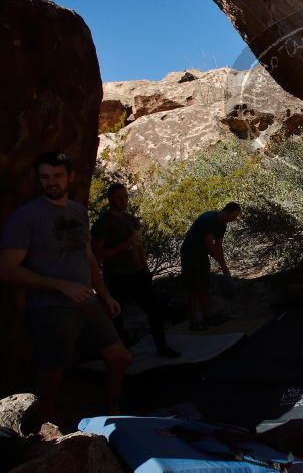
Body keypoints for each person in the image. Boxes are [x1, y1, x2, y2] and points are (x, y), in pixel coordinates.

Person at [0, 152, 131, 420]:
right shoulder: (26, 218)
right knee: (53, 372)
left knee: (119, 358)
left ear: (70, 177)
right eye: (45, 177)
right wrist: (60, 285)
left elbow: (89, 257)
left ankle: (113, 412)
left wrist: (105, 295)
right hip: (50, 306)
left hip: (85, 300)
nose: (51, 182)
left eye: (57, 176)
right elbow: (7, 269)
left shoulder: (78, 212)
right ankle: (47, 427)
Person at [91, 183, 180, 358]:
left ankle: (162, 347)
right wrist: (124, 246)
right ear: (110, 199)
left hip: (139, 274)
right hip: (117, 276)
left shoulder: (131, 220)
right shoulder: (103, 224)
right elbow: (96, 254)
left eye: (125, 196)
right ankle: (114, 352)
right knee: (116, 315)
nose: (124, 200)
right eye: (119, 197)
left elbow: (139, 246)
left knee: (154, 310)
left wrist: (145, 267)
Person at [180, 202, 241, 330]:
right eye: (233, 217)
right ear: (227, 212)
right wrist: (221, 264)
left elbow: (218, 246)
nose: (233, 220)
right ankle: (194, 320)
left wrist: (224, 264)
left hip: (201, 255)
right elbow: (209, 245)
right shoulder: (208, 218)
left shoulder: (222, 225)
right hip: (190, 254)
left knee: (204, 285)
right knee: (193, 287)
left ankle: (207, 316)